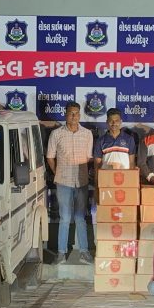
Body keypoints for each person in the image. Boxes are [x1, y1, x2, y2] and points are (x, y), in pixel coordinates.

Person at [46, 101, 94, 265]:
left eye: (76, 113)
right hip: (63, 182)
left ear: (80, 115)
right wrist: (57, 172)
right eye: (71, 113)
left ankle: (84, 252)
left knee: (80, 218)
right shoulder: (56, 134)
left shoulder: (87, 134)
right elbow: (50, 157)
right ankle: (61, 253)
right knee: (65, 218)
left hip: (81, 181)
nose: (74, 116)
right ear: (65, 114)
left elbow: (89, 158)